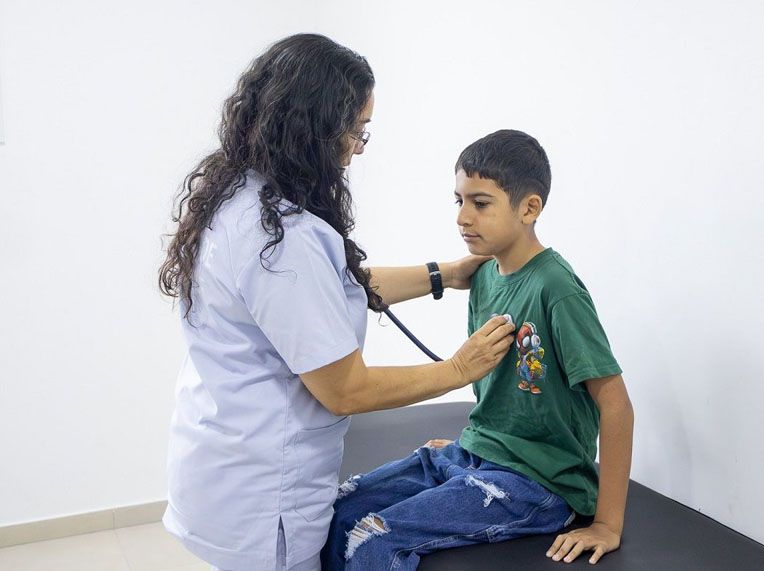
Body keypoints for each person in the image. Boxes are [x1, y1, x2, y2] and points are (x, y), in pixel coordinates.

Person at [157, 35, 515, 571]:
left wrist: (444, 274)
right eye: (357, 130)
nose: (360, 147)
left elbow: (334, 288)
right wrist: (460, 368)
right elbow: (344, 389)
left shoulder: (241, 195)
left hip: (221, 457)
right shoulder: (281, 241)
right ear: (314, 129)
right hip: (263, 494)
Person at [323, 130, 635, 569]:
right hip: (477, 452)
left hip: (537, 480)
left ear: (529, 208)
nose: (463, 217)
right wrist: (478, 441)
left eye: (481, 203)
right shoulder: (486, 275)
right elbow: (501, 388)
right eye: (459, 201)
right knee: (337, 513)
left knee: (373, 540)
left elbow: (616, 405)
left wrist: (607, 524)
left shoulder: (556, 290)